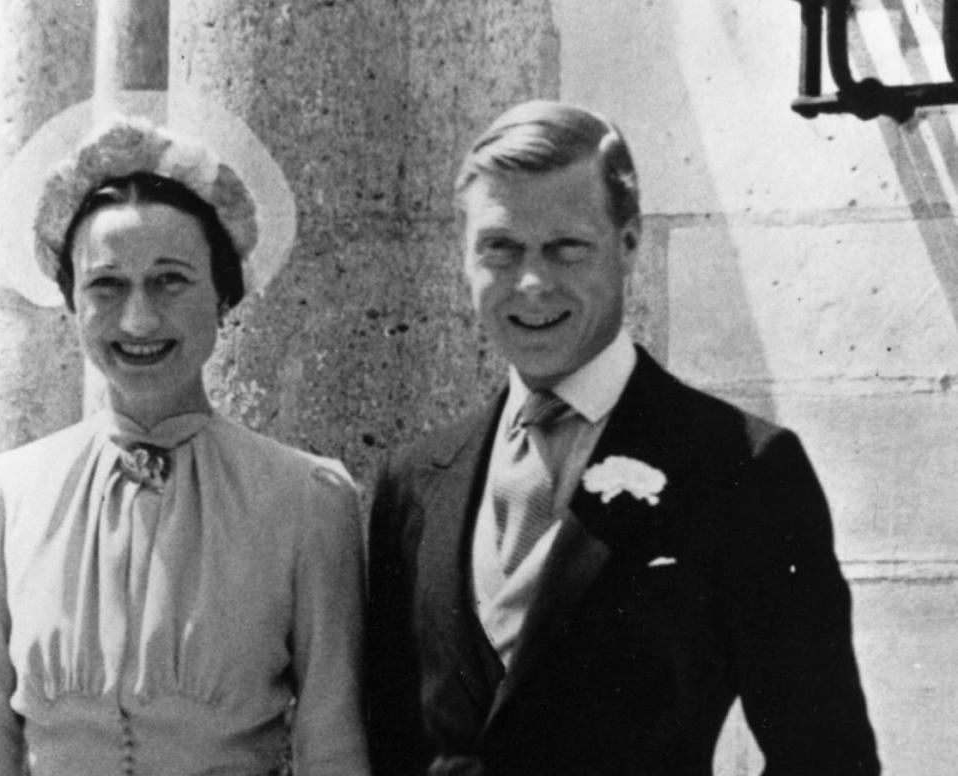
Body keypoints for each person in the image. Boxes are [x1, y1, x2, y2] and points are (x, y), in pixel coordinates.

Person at [364, 100, 879, 776]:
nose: (532, 282)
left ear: (628, 244)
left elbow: (825, 756)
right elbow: (391, 743)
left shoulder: (740, 467)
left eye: (567, 248)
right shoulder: (415, 481)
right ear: (464, 257)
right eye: (501, 247)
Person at [0, 116, 369, 776]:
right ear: (72, 302)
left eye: (170, 281)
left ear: (223, 295)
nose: (138, 319)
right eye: (107, 286)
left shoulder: (306, 501)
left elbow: (330, 744)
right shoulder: (3, 498)